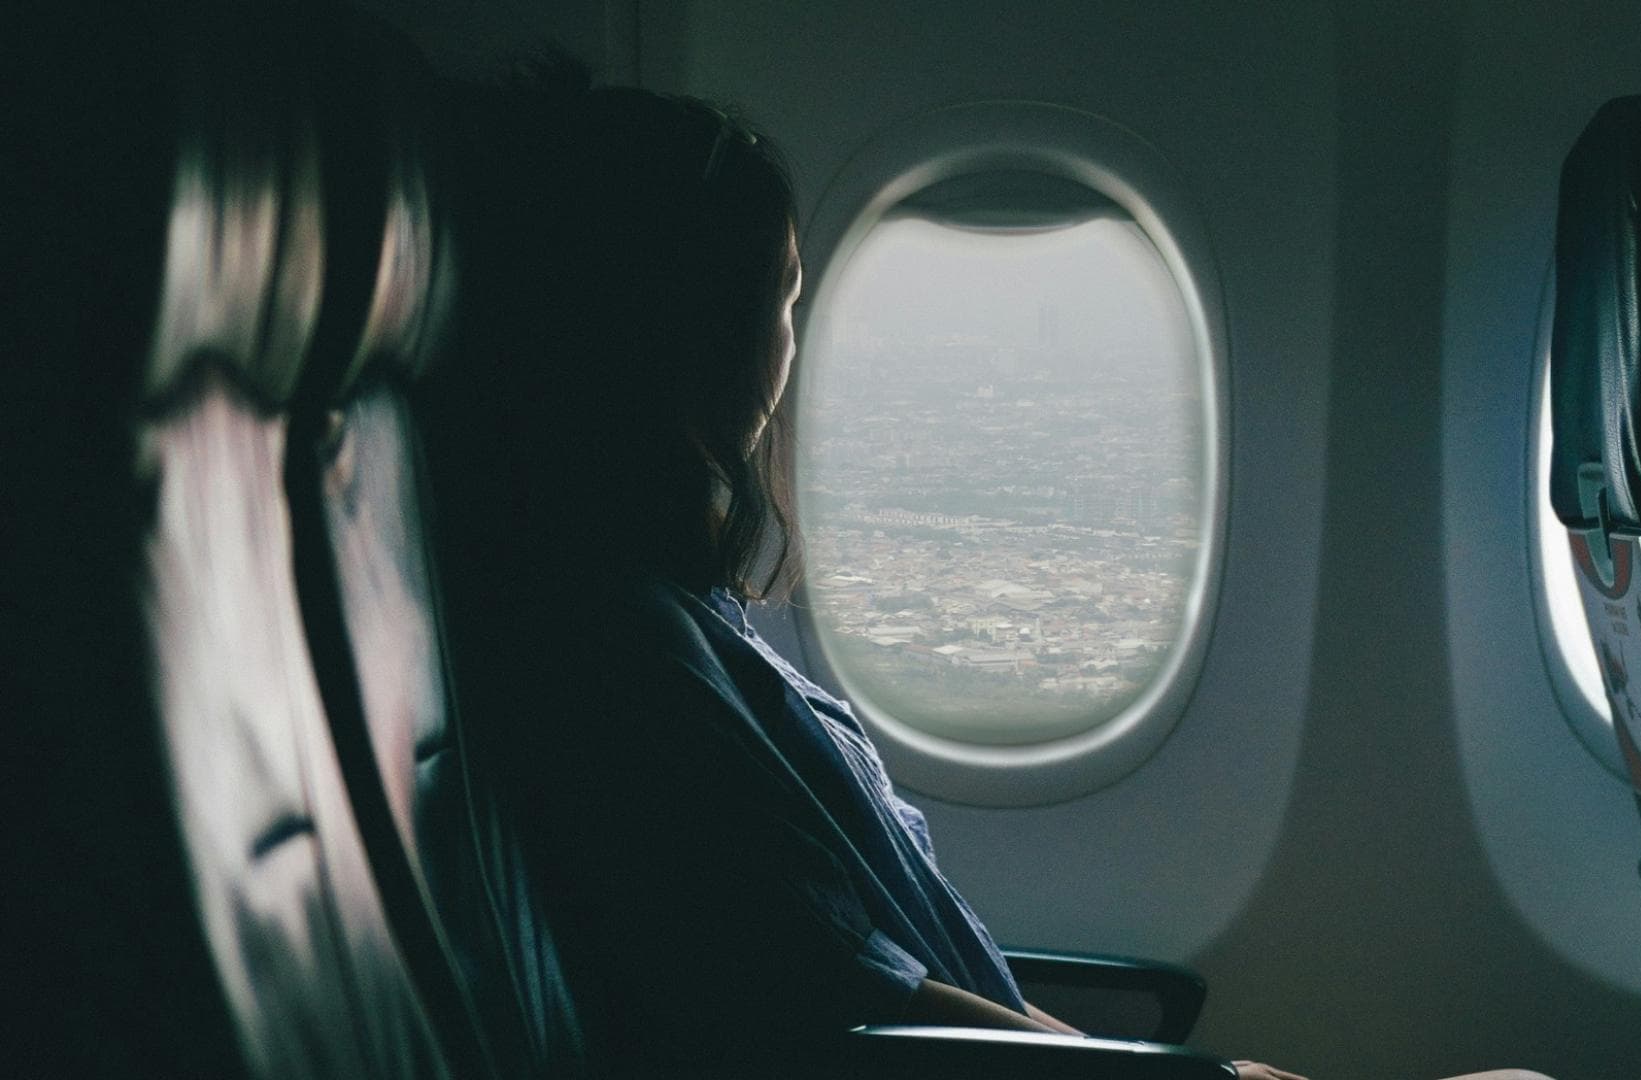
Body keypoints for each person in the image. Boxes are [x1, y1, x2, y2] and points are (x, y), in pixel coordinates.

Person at [437, 75, 1548, 1080]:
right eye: (783, 298)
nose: (790, 342)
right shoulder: (625, 655)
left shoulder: (666, 617)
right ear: (698, 330)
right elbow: (838, 998)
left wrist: (1117, 1060)